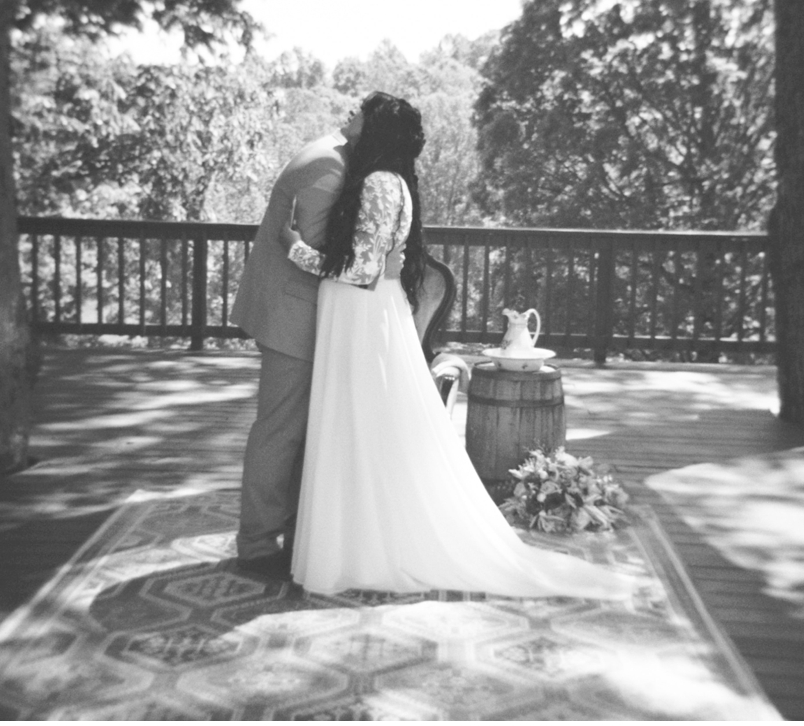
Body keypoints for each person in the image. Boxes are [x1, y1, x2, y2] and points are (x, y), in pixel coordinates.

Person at [281, 93, 635, 599]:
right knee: (358, 426)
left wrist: (292, 247)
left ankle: (360, 549)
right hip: (361, 312)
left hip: (360, 312)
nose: (350, 116)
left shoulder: (380, 184)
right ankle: (356, 542)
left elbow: (361, 270)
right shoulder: (390, 181)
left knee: (358, 424)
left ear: (377, 129)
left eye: (360, 111)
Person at [230, 95, 400, 577]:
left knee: (299, 431)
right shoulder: (328, 163)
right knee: (280, 432)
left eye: (363, 109)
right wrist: (380, 262)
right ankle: (257, 545)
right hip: (293, 315)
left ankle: (291, 532)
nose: (353, 110)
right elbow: (324, 253)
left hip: (302, 313)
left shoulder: (338, 155)